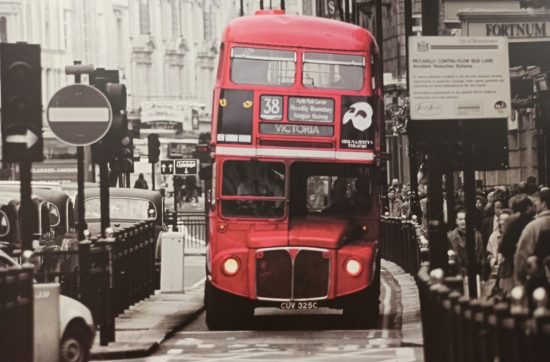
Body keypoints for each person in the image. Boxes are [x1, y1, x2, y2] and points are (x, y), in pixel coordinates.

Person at [498, 194, 535, 293]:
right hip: (529, 266)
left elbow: (503, 246)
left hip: (512, 265)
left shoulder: (510, 221)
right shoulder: (532, 221)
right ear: (529, 208)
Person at [513, 188, 550, 285]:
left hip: (540, 281)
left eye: (537, 201)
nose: (535, 204)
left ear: (544, 203)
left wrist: (519, 279)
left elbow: (521, 256)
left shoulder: (533, 226)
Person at [447, 209, 485, 277]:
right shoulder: (450, 237)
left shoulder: (477, 236)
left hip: (474, 274)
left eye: (465, 219)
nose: (463, 222)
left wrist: (482, 278)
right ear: (456, 221)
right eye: (460, 219)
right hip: (456, 275)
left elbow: (482, 258)